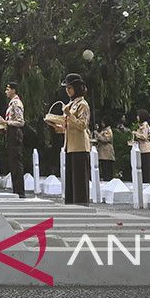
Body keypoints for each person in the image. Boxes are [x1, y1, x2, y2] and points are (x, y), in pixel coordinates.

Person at [60, 73, 91, 204]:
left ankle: (81, 202)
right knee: (71, 177)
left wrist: (68, 115)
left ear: (77, 88)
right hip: (70, 145)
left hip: (79, 145)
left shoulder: (82, 104)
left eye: (70, 88)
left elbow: (82, 125)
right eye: (67, 88)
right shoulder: (71, 104)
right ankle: (71, 202)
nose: (68, 91)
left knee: (79, 178)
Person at [0, 82, 26, 197]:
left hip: (15, 133)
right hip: (10, 132)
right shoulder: (11, 103)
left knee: (16, 162)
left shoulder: (16, 103)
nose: (6, 91)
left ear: (14, 90)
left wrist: (6, 122)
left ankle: (19, 191)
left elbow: (20, 121)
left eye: (8, 89)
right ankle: (16, 189)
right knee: (12, 162)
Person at [133, 109, 150, 183]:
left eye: (138, 116)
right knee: (144, 167)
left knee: (147, 168)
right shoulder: (141, 125)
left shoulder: (145, 125)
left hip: (146, 149)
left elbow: (144, 136)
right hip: (141, 148)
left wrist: (136, 134)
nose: (137, 117)